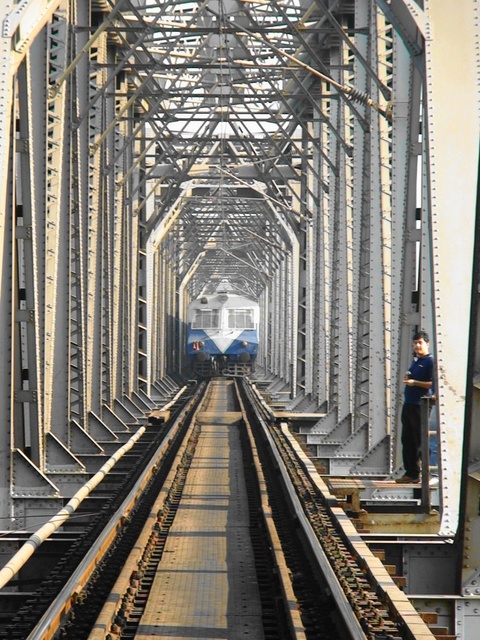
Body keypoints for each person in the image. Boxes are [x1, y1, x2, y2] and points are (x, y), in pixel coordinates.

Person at [395, 330, 434, 483]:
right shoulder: (416, 360)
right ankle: (411, 473)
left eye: (420, 343)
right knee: (408, 440)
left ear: (427, 344)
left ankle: (426, 474)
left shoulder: (430, 362)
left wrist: (415, 383)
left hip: (421, 405)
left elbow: (433, 383)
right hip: (409, 404)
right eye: (415, 343)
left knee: (420, 440)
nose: (417, 345)